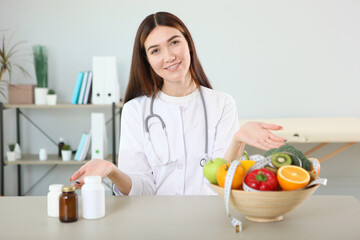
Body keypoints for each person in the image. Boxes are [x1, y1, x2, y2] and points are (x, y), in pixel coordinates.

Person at [70, 12, 286, 195]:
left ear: (188, 44)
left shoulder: (222, 103)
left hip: (210, 221)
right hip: (157, 225)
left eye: (174, 42)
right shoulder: (135, 110)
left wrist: (238, 140)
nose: (169, 56)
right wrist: (112, 170)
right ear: (147, 60)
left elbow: (223, 181)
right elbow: (141, 189)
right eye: (155, 50)